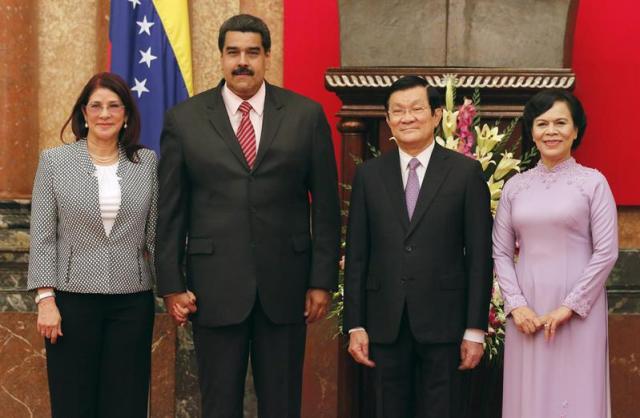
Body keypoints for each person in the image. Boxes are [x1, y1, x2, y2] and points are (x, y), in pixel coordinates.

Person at [155, 14, 340, 418]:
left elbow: (326, 208)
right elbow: (170, 210)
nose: (243, 61)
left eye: (252, 52)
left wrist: (322, 281)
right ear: (220, 57)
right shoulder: (184, 120)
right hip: (212, 288)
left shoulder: (305, 115)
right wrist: (171, 284)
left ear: (267, 56)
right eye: (233, 52)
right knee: (219, 404)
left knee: (282, 404)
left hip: (287, 287)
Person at [344, 76, 493, 418]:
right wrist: (356, 324)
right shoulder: (369, 175)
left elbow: (480, 258)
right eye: (397, 111)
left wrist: (474, 329)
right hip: (385, 322)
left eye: (416, 109)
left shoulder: (465, 173)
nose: (407, 117)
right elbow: (357, 254)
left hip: (446, 324)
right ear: (388, 119)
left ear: (437, 114)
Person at [27, 72, 158, 418]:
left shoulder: (146, 164)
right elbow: (42, 234)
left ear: (126, 114)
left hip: (132, 303)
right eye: (96, 106)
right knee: (74, 403)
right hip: (71, 304)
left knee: (126, 404)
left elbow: (156, 234)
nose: (105, 114)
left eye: (114, 106)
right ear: (83, 113)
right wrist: (45, 300)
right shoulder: (54, 162)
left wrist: (175, 290)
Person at [493, 89, 618, 418]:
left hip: (578, 309)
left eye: (561, 122)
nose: (551, 131)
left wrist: (568, 307)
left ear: (576, 130)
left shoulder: (593, 183)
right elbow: (501, 253)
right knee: (529, 393)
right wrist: (517, 306)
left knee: (576, 392)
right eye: (542, 123)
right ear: (531, 131)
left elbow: (606, 252)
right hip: (527, 313)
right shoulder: (515, 186)